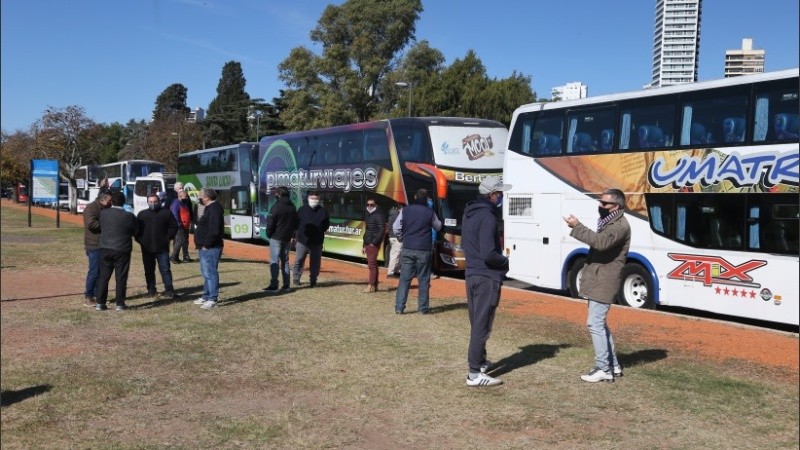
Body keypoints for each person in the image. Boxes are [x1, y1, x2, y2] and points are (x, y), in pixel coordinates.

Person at [564, 188, 631, 383]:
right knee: (599, 323)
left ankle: (603, 369)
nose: (600, 206)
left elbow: (600, 243)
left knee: (594, 324)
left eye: (604, 203)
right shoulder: (610, 222)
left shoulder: (619, 226)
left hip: (605, 281)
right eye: (600, 202)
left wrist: (577, 226)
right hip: (599, 279)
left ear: (616, 206)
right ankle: (613, 365)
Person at [461, 176, 511, 386]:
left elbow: (466, 244)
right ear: (492, 195)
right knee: (481, 324)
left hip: (472, 273)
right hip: (486, 276)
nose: (501, 197)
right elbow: (489, 253)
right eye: (499, 193)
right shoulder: (488, 217)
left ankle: (480, 362)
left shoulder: (469, 213)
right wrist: (505, 260)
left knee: (477, 321)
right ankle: (474, 373)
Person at [393, 190, 442, 314]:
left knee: (404, 279)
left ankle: (399, 308)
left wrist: (401, 237)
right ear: (426, 199)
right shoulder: (429, 212)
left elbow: (396, 227)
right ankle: (423, 309)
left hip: (408, 247)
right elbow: (438, 226)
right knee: (424, 279)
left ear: (415, 197)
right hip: (424, 249)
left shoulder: (405, 210)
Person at [94, 190, 138, 311]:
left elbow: (101, 226)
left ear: (112, 201)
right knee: (121, 277)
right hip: (122, 249)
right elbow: (136, 230)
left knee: (103, 277)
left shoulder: (103, 213)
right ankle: (120, 304)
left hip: (105, 248)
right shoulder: (129, 216)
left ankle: (100, 303)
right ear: (124, 202)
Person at [136, 193, 179, 301]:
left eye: (155, 201)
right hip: (147, 249)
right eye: (150, 202)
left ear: (159, 201)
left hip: (162, 248)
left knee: (165, 270)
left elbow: (174, 227)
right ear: (147, 202)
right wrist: (141, 240)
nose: (153, 204)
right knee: (149, 270)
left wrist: (167, 238)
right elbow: (136, 230)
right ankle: (151, 290)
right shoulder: (142, 214)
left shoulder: (166, 213)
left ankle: (169, 290)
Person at [193, 188, 225, 309]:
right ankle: (206, 296)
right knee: (206, 273)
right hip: (205, 247)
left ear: (207, 197)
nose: (199, 198)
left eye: (200, 196)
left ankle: (212, 298)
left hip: (211, 247)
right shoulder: (209, 208)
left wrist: (206, 244)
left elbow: (214, 230)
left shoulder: (215, 209)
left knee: (210, 272)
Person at [264, 186, 299, 292]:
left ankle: (274, 285)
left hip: (276, 237)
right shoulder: (292, 207)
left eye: (276, 193)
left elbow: (270, 223)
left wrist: (268, 234)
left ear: (278, 194)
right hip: (287, 237)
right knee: (285, 261)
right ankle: (286, 285)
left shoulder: (276, 206)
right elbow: (296, 223)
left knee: (274, 261)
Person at [292, 191, 330, 288]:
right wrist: (296, 236)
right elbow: (295, 224)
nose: (314, 200)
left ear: (319, 199)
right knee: (299, 260)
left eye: (316, 199)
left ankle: (313, 280)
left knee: (315, 262)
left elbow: (326, 225)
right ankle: (296, 278)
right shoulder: (301, 210)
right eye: (312, 198)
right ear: (308, 198)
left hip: (317, 242)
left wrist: (319, 232)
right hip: (302, 241)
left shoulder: (323, 211)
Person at [82, 190, 112, 307]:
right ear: (103, 199)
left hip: (104, 244)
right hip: (94, 245)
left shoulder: (106, 208)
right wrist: (108, 224)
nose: (111, 202)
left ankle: (97, 294)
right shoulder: (91, 208)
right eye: (109, 200)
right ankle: (89, 295)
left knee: (101, 271)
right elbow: (91, 224)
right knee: (94, 271)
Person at [362, 197, 386, 293]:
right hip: (368, 242)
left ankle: (370, 285)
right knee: (374, 264)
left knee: (371, 265)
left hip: (373, 243)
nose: (369, 206)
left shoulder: (379, 215)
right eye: (368, 204)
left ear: (376, 205)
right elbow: (367, 230)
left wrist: (373, 243)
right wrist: (364, 245)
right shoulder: (368, 214)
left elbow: (382, 230)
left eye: (371, 205)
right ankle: (374, 285)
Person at [170, 189, 193, 263]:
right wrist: (179, 224)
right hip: (179, 226)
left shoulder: (183, 203)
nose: (187, 198)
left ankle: (185, 257)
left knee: (185, 241)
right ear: (180, 196)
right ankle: (173, 257)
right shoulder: (176, 203)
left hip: (185, 225)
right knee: (179, 241)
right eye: (185, 196)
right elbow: (174, 214)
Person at [386, 203, 403, 278]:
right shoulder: (397, 215)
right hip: (396, 237)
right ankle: (391, 272)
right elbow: (398, 227)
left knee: (396, 254)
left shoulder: (393, 214)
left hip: (393, 237)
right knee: (395, 255)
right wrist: (400, 237)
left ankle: (395, 271)